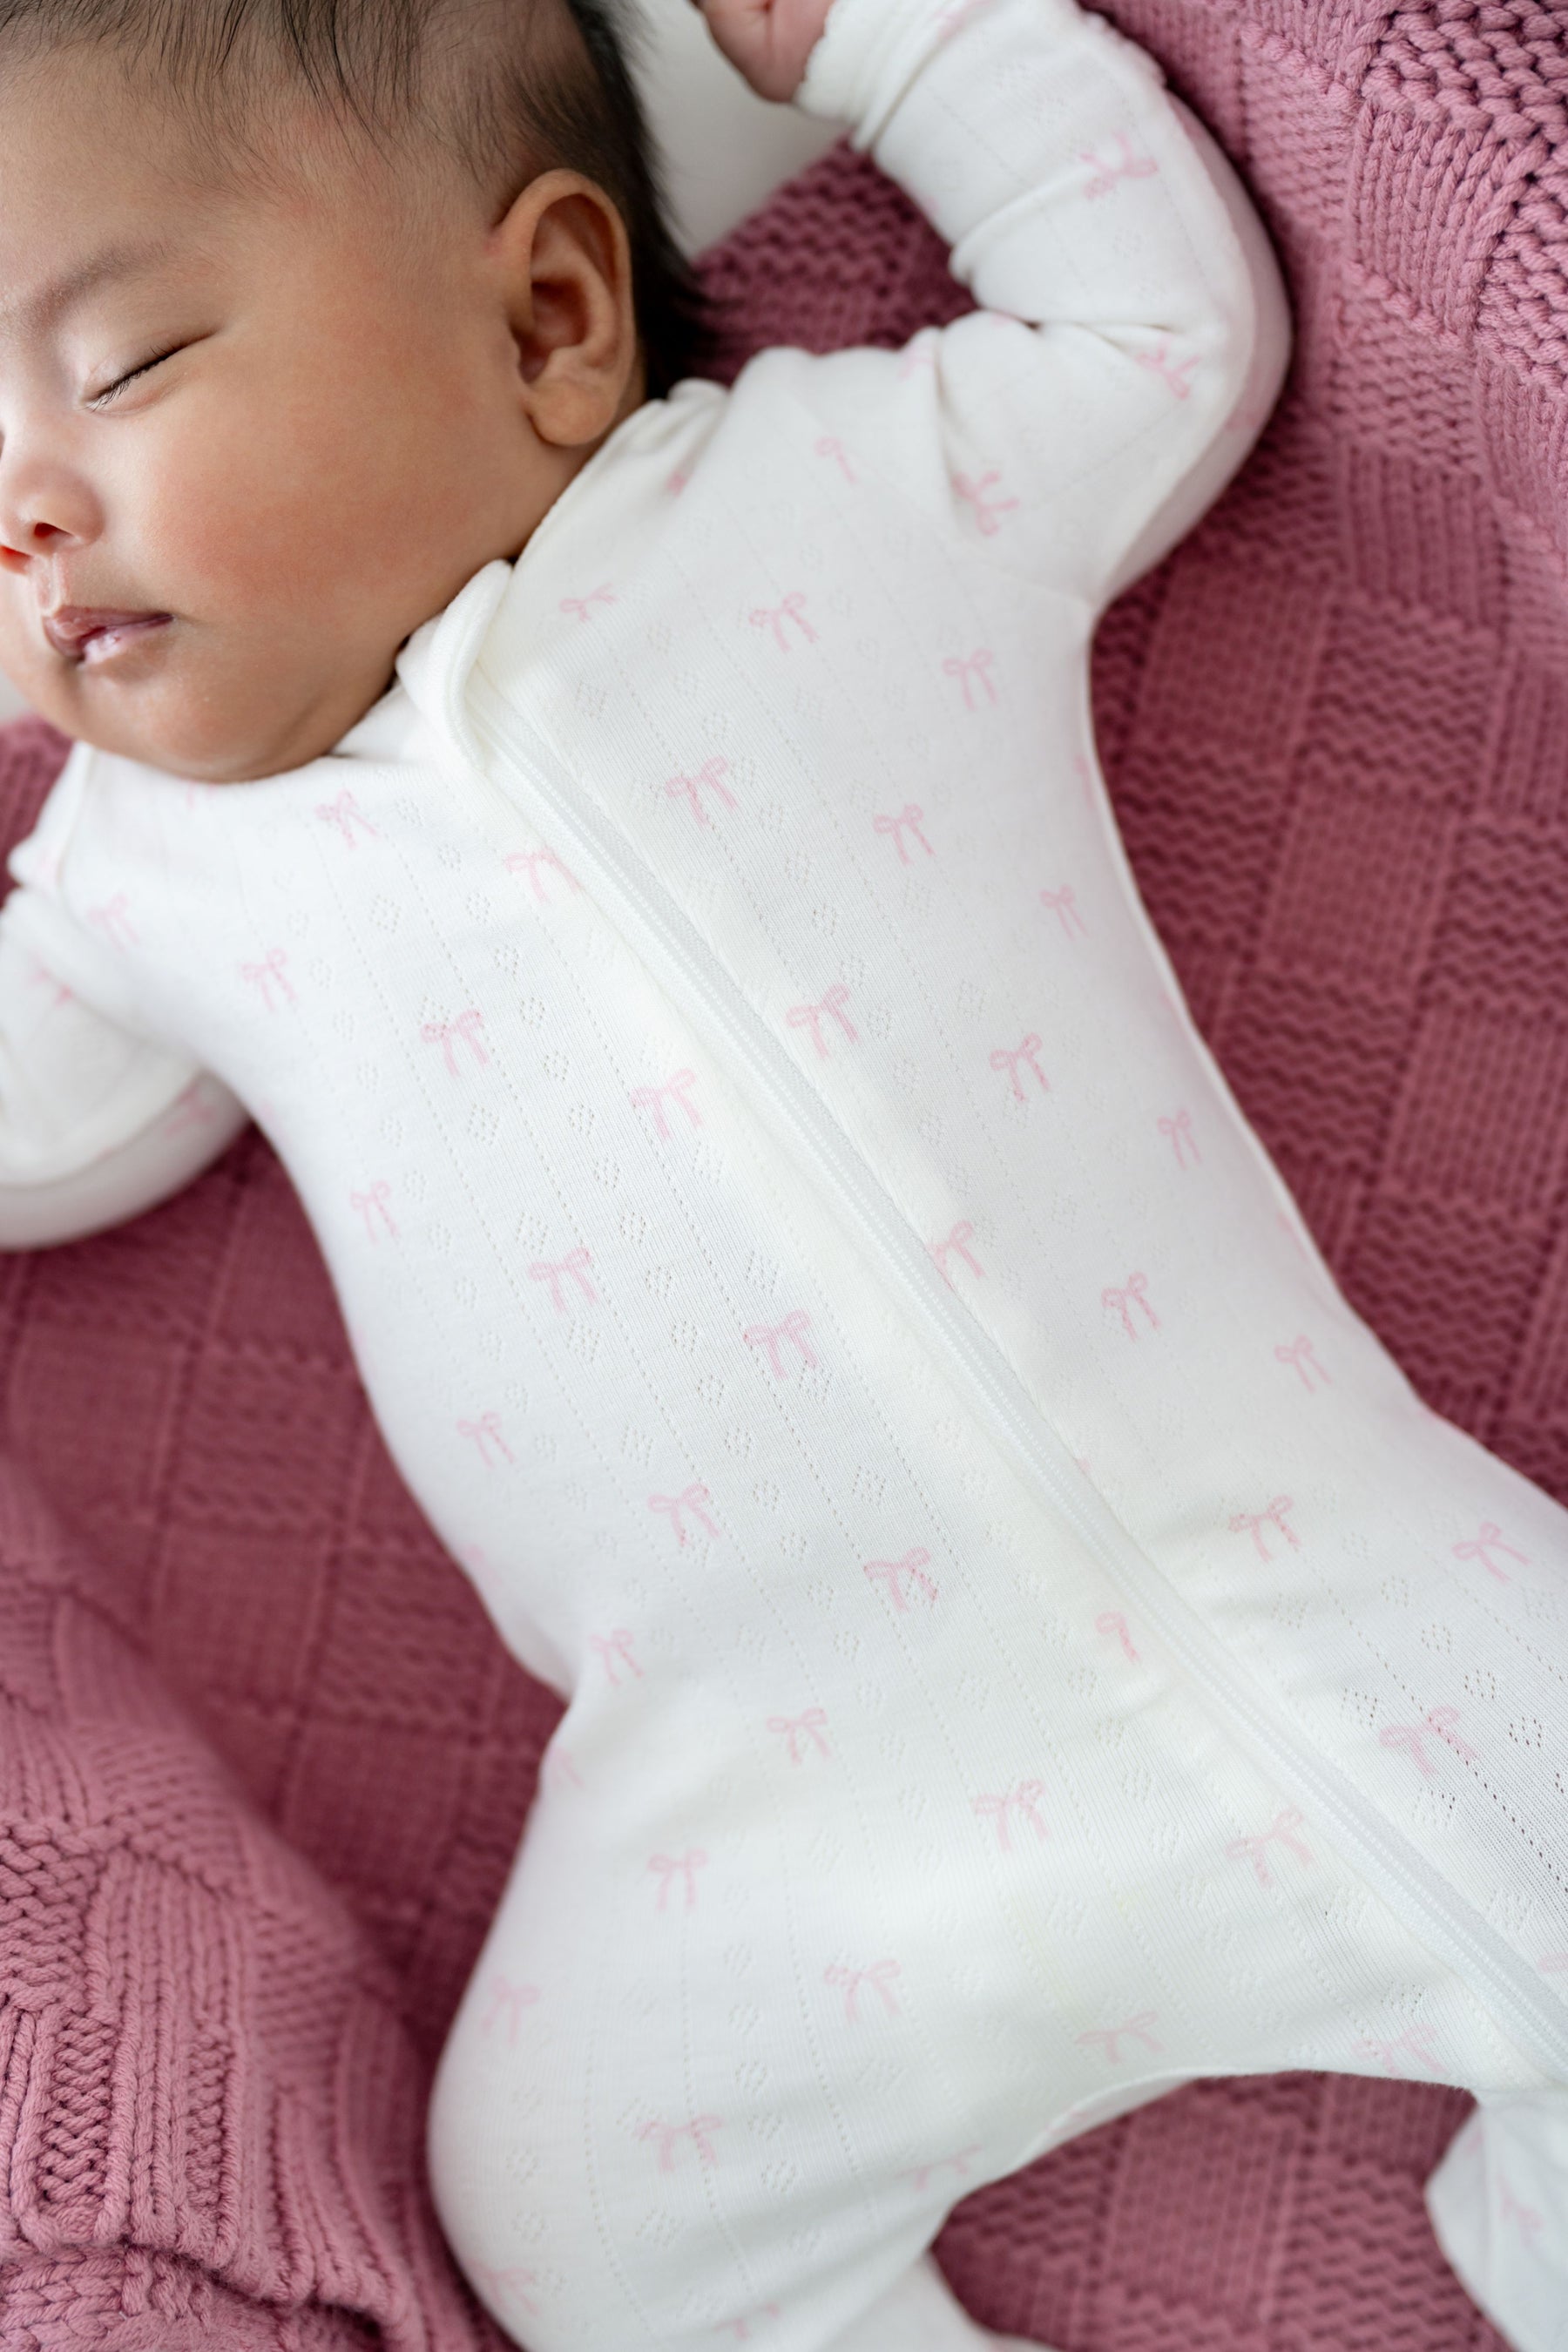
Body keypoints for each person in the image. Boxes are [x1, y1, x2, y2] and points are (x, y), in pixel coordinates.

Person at [0, 0, 1562, 2345]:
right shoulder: (146, 878)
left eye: (118, 367)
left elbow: (1154, 326)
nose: (23, 517)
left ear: (549, 315)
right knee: (575, 2222)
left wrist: (892, 45)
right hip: (782, 1822)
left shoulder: (844, 489)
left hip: (1325, 1606)